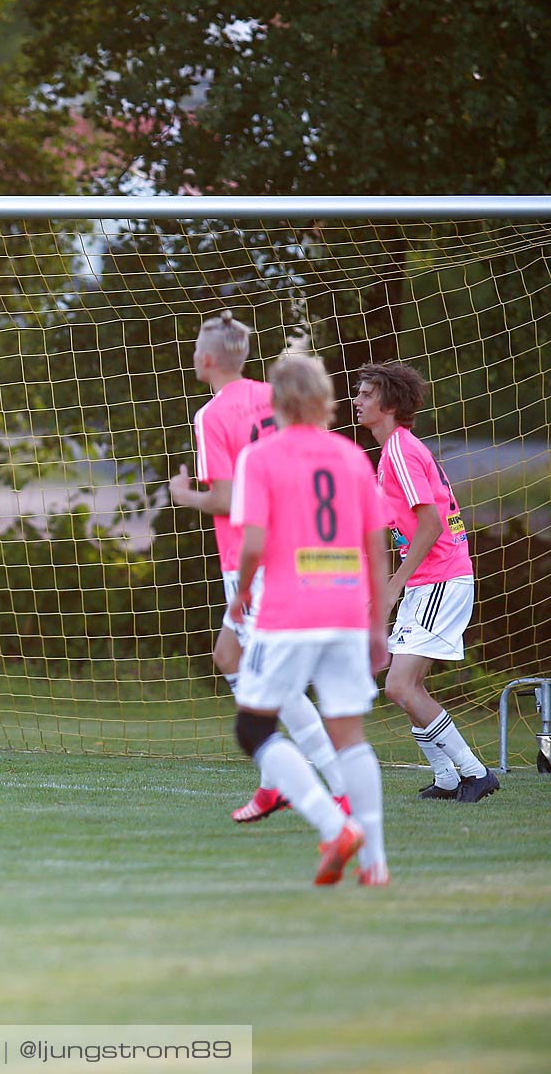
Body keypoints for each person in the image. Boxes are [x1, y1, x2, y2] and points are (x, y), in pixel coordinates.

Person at [169, 312, 346, 822]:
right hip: (292, 544)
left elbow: (226, 497)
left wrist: (185, 496)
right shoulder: (273, 396)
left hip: (250, 553)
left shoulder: (211, 414)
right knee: (231, 657)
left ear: (205, 359)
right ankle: (274, 783)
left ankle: (336, 783)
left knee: (272, 680)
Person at [229, 353, 395, 886]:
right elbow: (375, 546)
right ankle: (376, 864)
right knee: (351, 736)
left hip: (288, 612)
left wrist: (239, 596)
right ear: (325, 400)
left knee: (254, 727)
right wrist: (377, 623)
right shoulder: (352, 458)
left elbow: (252, 541)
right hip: (346, 610)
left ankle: (332, 825)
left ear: (277, 401)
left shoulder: (260, 457)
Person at [353, 361, 498, 803]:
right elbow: (393, 524)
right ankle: (447, 779)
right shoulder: (393, 452)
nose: (355, 401)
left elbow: (432, 525)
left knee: (398, 685)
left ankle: (476, 773)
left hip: (439, 578)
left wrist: (394, 584)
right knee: (406, 687)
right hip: (430, 580)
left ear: (389, 403)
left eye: (364, 394)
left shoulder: (400, 449)